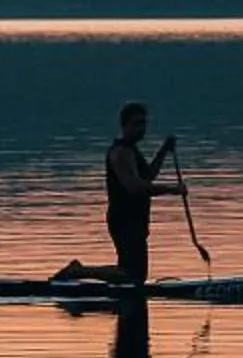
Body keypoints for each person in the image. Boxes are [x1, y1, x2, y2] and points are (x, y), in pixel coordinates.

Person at [57, 101, 183, 286]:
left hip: (136, 219)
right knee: (132, 276)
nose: (142, 128)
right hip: (124, 219)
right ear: (125, 125)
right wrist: (172, 190)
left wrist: (164, 150)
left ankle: (82, 274)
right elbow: (133, 186)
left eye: (144, 124)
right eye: (137, 124)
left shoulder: (132, 150)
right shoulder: (120, 153)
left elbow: (147, 175)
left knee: (133, 275)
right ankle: (78, 271)